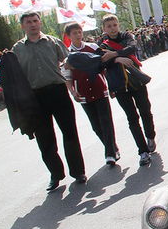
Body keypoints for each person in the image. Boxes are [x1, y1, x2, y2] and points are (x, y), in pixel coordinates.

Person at [9, 11, 86, 191]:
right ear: (23, 26)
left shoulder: (53, 42)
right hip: (35, 98)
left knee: (70, 133)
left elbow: (69, 61)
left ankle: (78, 172)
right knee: (45, 139)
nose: (33, 24)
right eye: (28, 22)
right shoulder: (17, 49)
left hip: (58, 92)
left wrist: (76, 84)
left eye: (35, 21)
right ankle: (56, 174)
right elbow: (14, 78)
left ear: (40, 23)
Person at [99, 14, 157, 166]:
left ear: (118, 25)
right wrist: (117, 59)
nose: (112, 28)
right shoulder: (102, 43)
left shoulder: (126, 36)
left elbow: (132, 47)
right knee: (132, 118)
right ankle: (142, 151)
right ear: (104, 28)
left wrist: (115, 54)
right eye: (109, 26)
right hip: (119, 85)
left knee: (145, 111)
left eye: (114, 25)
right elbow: (102, 61)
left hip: (135, 80)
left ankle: (150, 136)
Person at [63, 22, 121, 166]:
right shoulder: (67, 54)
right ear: (69, 36)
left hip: (99, 88)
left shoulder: (93, 47)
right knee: (96, 125)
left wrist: (111, 86)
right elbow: (67, 76)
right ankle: (112, 147)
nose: (77, 35)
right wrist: (72, 91)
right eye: (74, 33)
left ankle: (109, 153)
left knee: (106, 121)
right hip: (83, 93)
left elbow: (104, 67)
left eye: (79, 32)